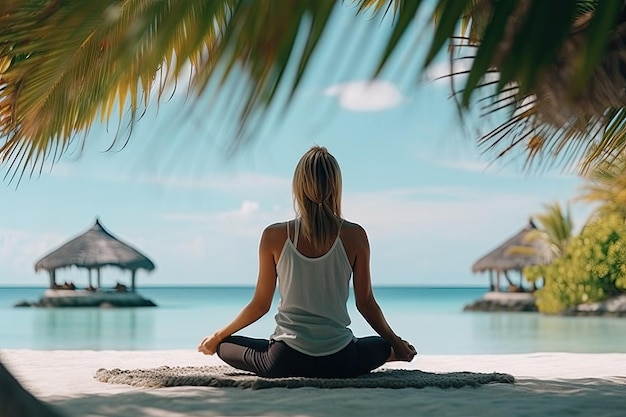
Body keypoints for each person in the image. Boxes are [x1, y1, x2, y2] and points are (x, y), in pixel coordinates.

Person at [197, 146, 417, 378]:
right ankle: (390, 352)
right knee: (380, 345)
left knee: (225, 346)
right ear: (336, 186)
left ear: (298, 186)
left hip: (284, 360)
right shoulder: (355, 235)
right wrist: (396, 343)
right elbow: (366, 304)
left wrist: (217, 337)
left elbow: (260, 305)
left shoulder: (274, 235)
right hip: (341, 361)